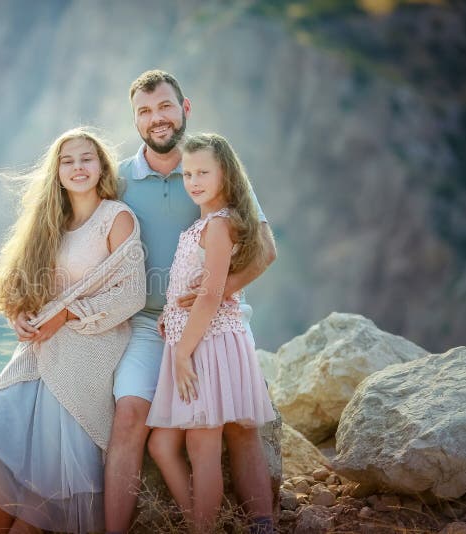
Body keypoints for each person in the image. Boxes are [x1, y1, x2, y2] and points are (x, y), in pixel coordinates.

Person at [12, 70, 277, 533]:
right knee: (130, 414)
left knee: (237, 422)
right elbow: (72, 239)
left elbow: (265, 251)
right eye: (145, 111)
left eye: (165, 107)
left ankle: (262, 521)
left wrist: (213, 296)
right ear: (134, 119)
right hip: (142, 323)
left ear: (185, 108)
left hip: (213, 317)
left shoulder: (213, 171)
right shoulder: (122, 182)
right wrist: (28, 300)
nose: (157, 119)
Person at [0, 127, 146, 533]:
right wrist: (19, 315)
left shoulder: (116, 218)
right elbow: (20, 288)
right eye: (68, 160)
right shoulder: (48, 222)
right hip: (43, 343)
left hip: (94, 343)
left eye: (87, 159)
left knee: (49, 462)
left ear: (101, 166)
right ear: (57, 171)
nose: (78, 167)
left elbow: (131, 295)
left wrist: (67, 314)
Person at [146, 132, 276, 532]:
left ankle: (237, 525)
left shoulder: (219, 226)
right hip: (193, 339)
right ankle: (206, 519)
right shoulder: (202, 224)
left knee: (204, 448)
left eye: (203, 172)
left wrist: (183, 353)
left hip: (206, 346)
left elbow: (211, 294)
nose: (194, 181)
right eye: (187, 174)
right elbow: (194, 290)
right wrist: (169, 315)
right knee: (162, 444)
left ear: (227, 174)